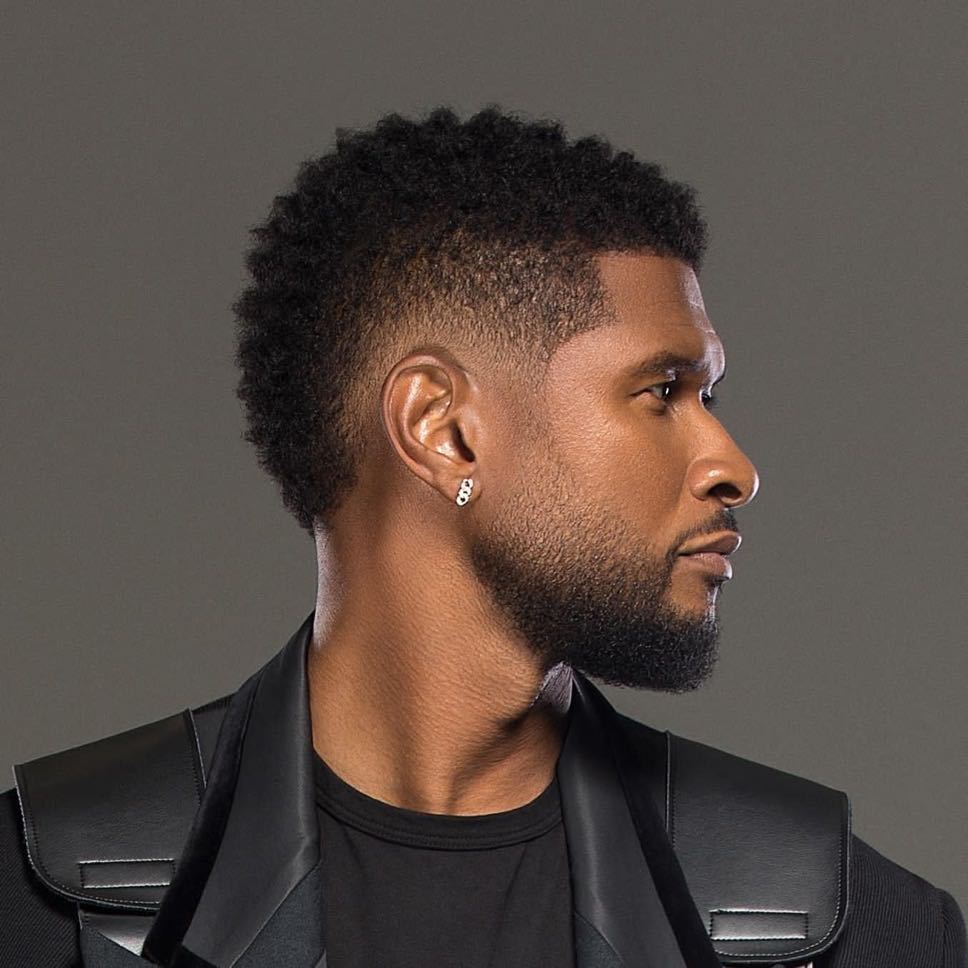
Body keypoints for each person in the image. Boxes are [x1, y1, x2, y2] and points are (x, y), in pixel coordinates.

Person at [2, 106, 964, 968]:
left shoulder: (853, 929)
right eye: (662, 392)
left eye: (708, 396)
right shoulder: (33, 911)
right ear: (445, 431)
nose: (734, 467)